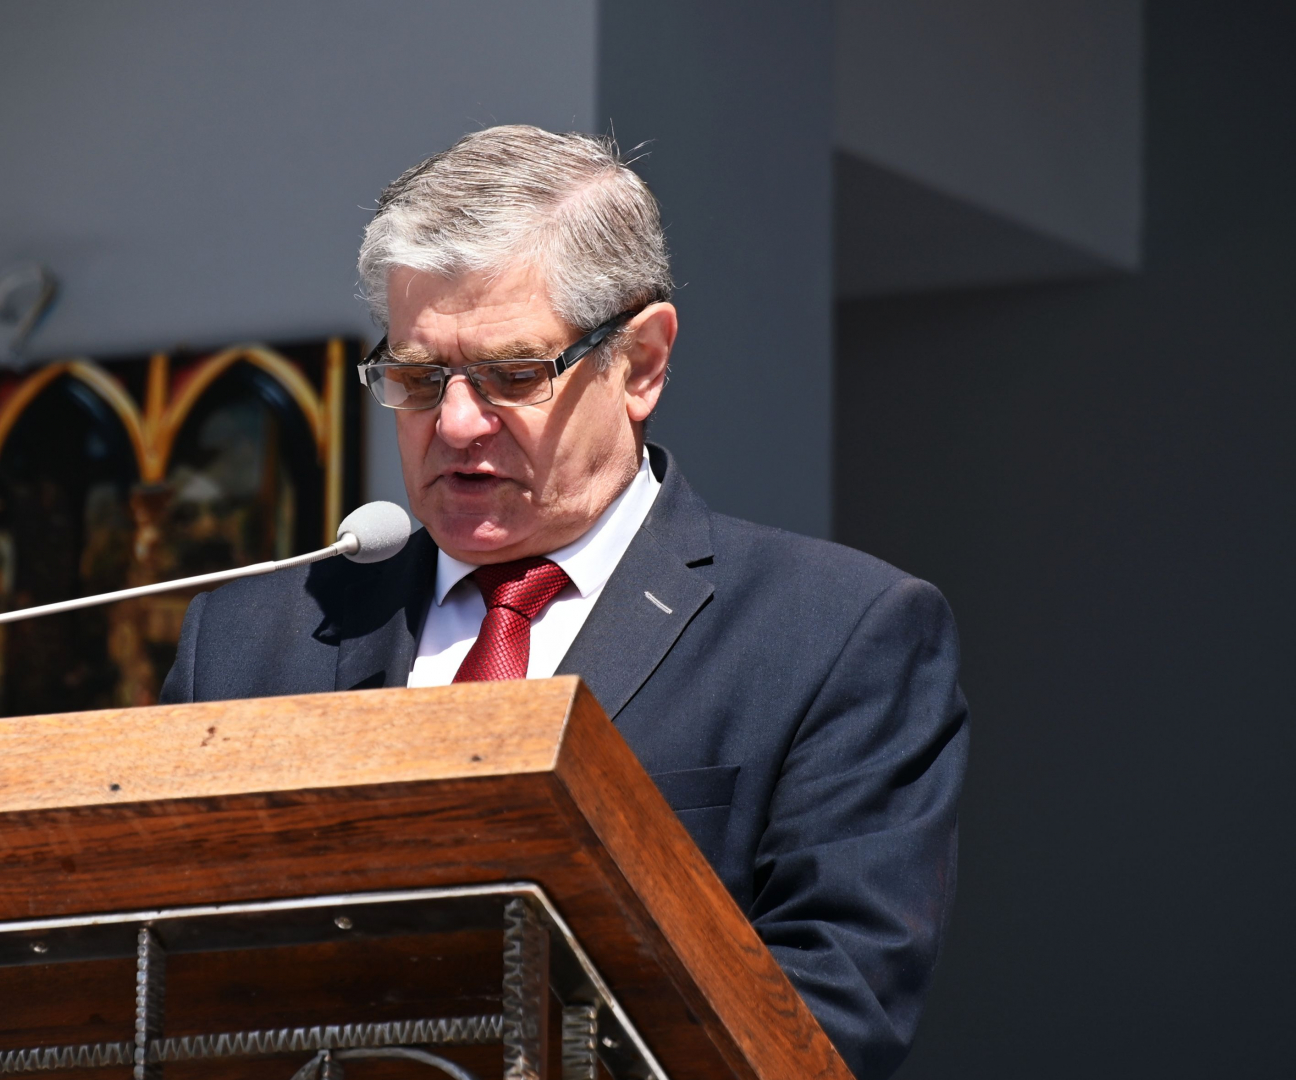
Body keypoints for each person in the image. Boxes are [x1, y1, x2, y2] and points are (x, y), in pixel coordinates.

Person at [162, 125, 968, 1080]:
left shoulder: (834, 633)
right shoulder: (250, 638)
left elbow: (828, 1015)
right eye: (417, 379)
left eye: (512, 376)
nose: (455, 423)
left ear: (641, 364)